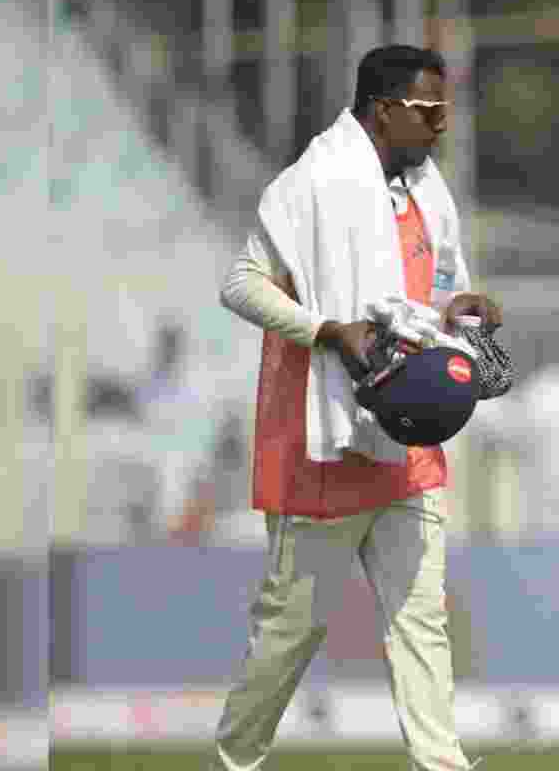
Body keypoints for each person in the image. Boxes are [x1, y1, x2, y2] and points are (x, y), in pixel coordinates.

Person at [211, 44, 497, 771]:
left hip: (406, 442)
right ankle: (234, 761)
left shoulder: (429, 190)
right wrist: (326, 330)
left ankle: (442, 766)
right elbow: (240, 284)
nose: (441, 125)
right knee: (289, 633)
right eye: (429, 110)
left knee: (421, 623)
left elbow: (430, 294)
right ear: (384, 110)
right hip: (325, 440)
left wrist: (454, 310)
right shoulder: (310, 182)